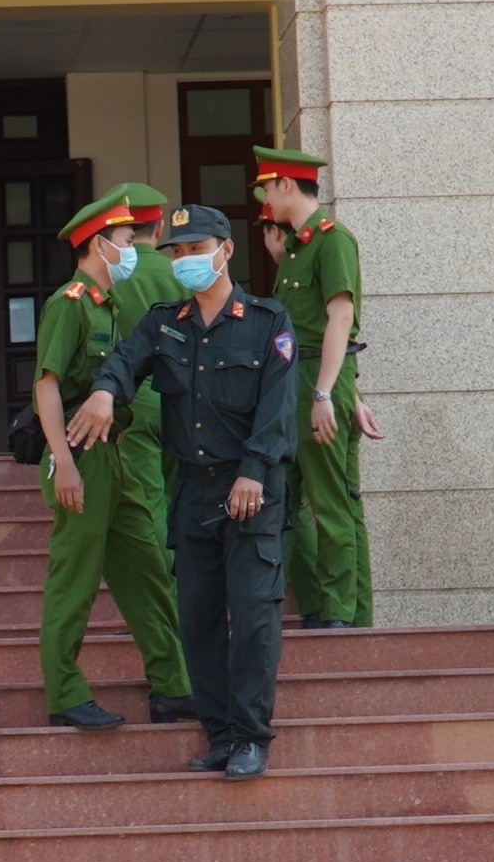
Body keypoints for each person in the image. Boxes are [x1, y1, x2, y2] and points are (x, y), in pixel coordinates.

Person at [62, 203, 299, 779]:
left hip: (251, 490)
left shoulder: (268, 322)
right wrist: (103, 393)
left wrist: (252, 471)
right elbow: (125, 360)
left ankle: (250, 736)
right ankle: (218, 734)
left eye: (196, 250)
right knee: (195, 618)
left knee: (252, 617)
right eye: (177, 253)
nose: (186, 261)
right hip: (193, 492)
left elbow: (277, 412)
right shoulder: (164, 321)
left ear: (225, 250)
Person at [30, 184, 191, 732]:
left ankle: (175, 686)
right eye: (124, 240)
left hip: (115, 452)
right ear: (98, 245)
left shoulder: (106, 305)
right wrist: (64, 461)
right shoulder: (68, 304)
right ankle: (65, 694)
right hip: (81, 454)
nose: (130, 249)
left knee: (145, 568)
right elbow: (47, 386)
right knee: (74, 577)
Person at [251, 145, 371, 631]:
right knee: (290, 501)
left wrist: (328, 394)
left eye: (267, 188)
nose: (266, 201)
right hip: (292, 381)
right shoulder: (297, 248)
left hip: (314, 379)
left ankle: (342, 611)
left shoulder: (332, 240)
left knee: (329, 503)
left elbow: (340, 317)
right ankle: (318, 606)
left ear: (285, 184)